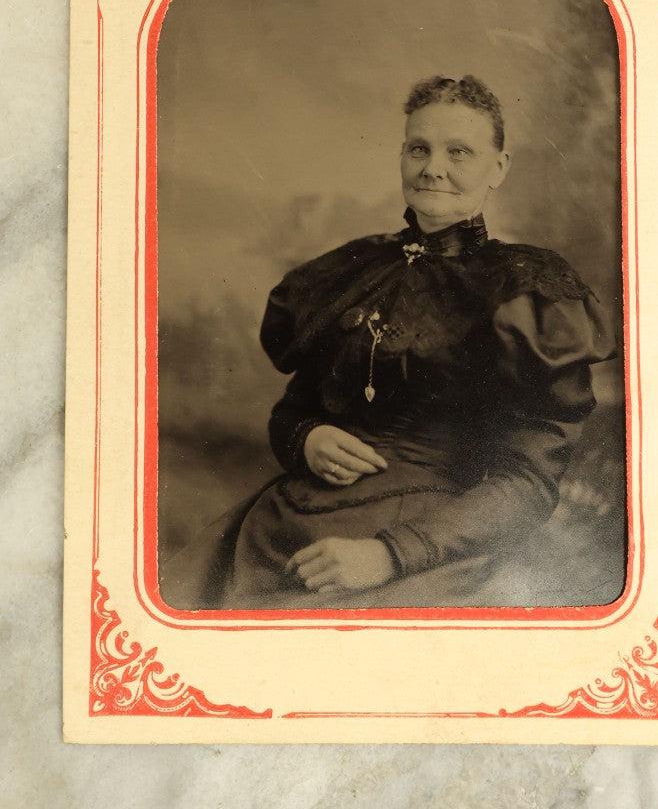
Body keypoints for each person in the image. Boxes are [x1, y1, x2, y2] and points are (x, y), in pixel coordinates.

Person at [162, 76, 615, 610]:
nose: (433, 168)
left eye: (459, 152)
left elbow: (528, 482)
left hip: (421, 549)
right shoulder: (355, 267)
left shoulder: (524, 290)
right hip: (279, 530)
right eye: (418, 148)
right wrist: (306, 438)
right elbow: (294, 409)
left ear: (499, 167)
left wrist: (388, 555)